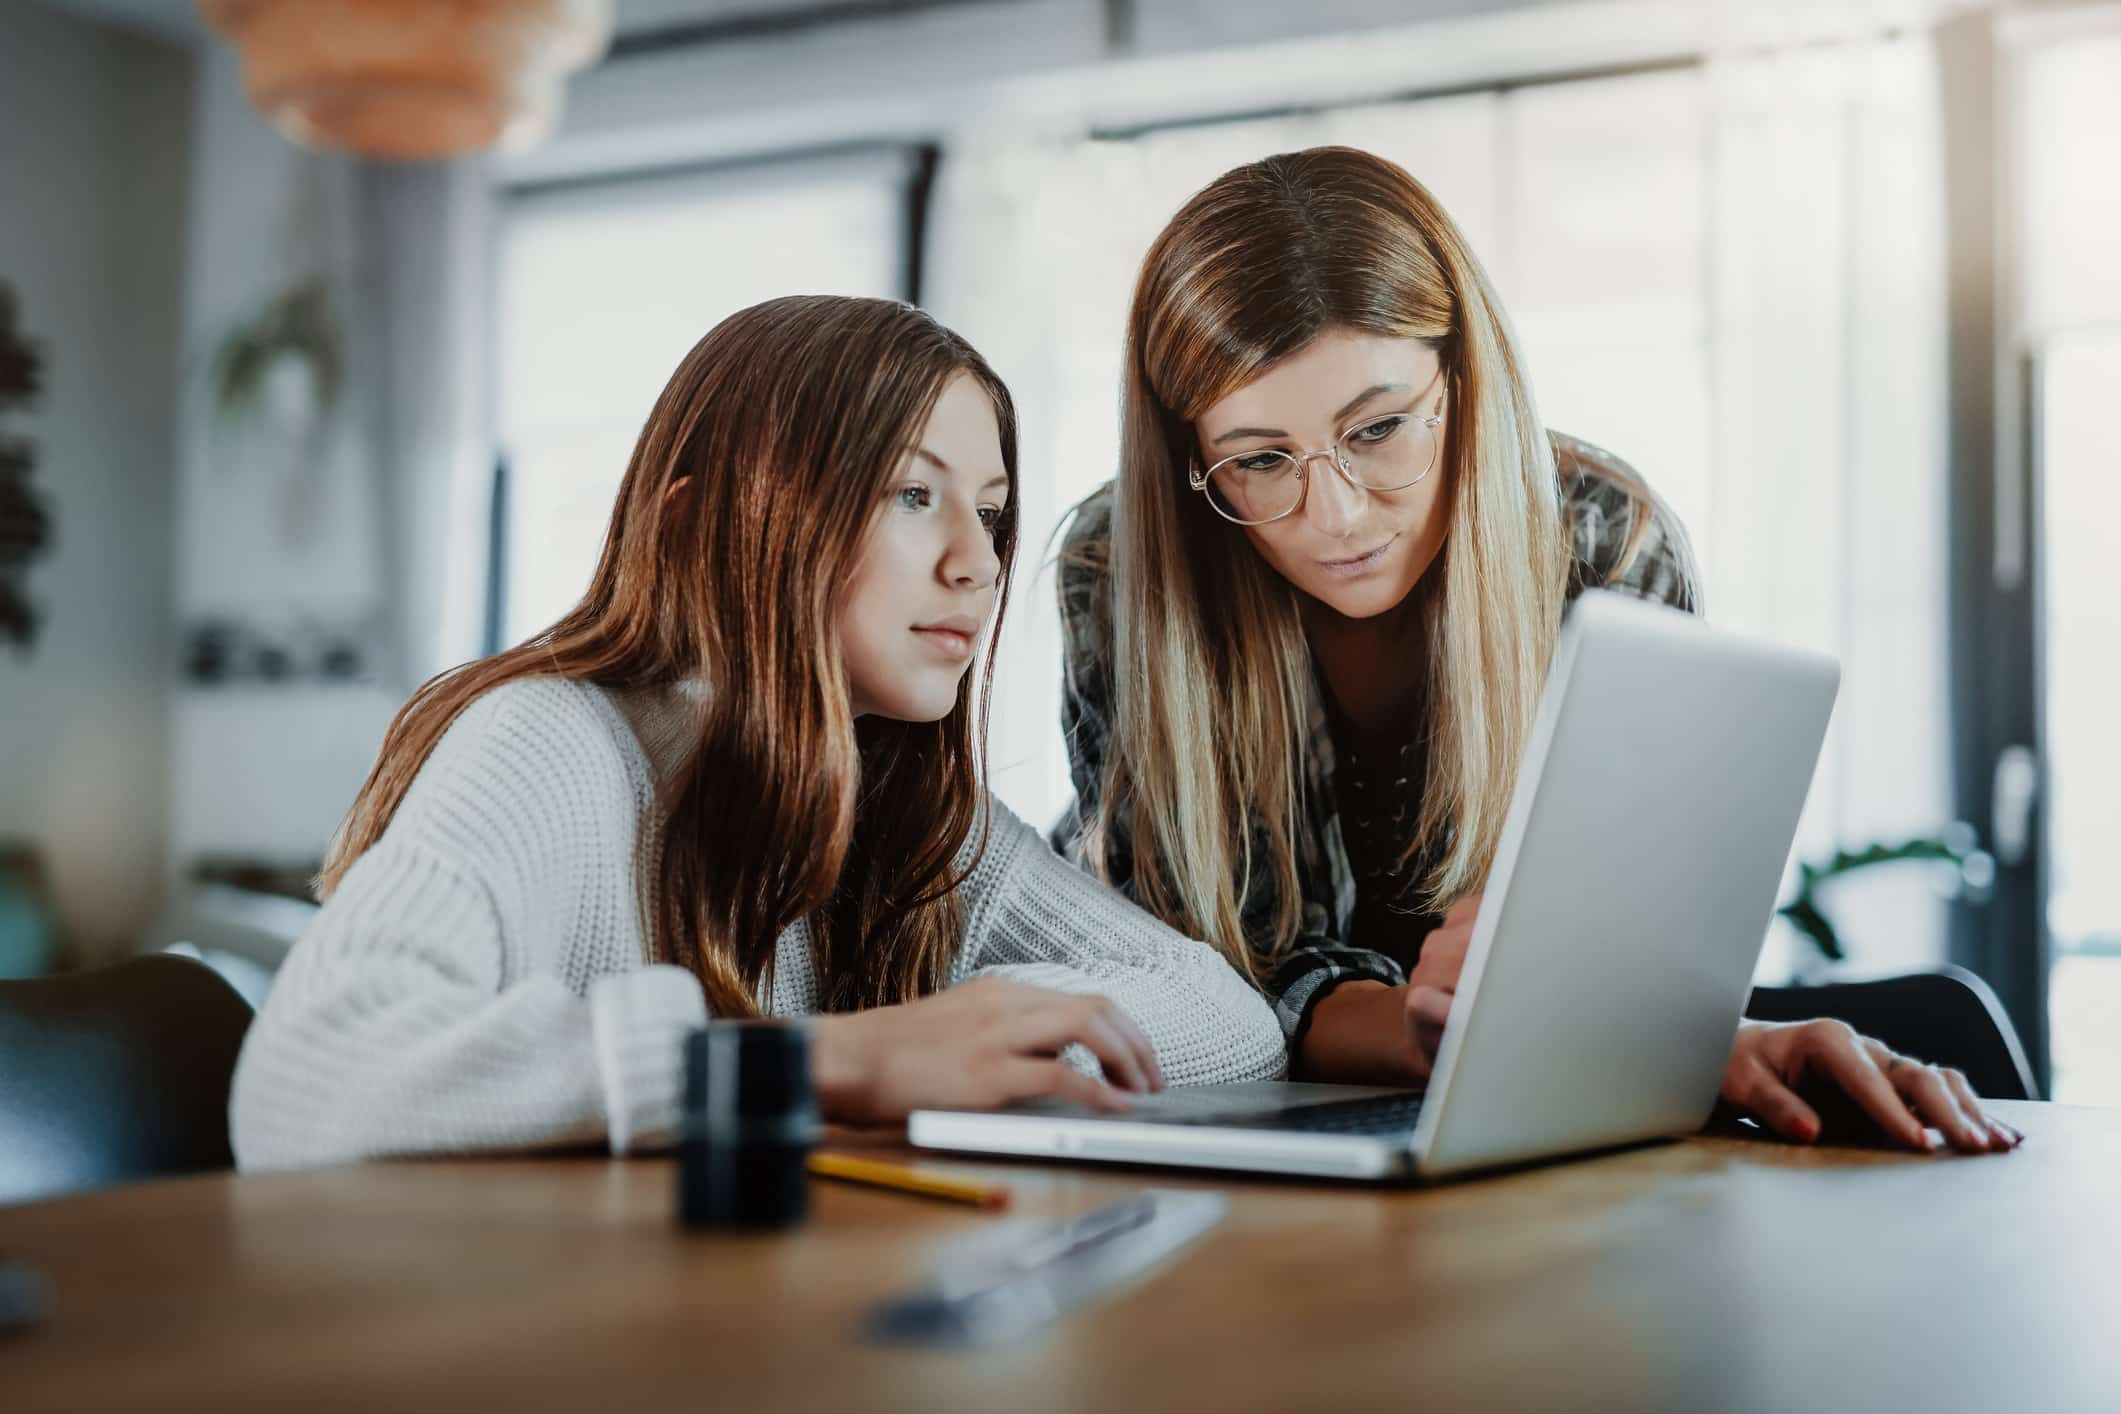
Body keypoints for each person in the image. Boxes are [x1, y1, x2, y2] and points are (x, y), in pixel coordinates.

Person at [1055, 147, 2019, 1154]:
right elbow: (1195, 981)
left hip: (1542, 1131)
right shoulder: (1119, 569)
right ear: (1191, 459)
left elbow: (1637, 955)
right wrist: (1472, 1034)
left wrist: (1599, 1028)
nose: (1335, 514)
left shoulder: (1604, 540)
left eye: (1379, 429)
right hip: (1251, 1150)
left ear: (1464, 383)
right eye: (1258, 460)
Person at [231, 295, 1284, 1173]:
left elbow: (1234, 1023)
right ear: (705, 525)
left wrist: (993, 1026)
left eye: (993, 511)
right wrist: (824, 1061)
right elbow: (307, 1082)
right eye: (914, 494)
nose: (979, 563)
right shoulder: (548, 742)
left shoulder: (906, 810)